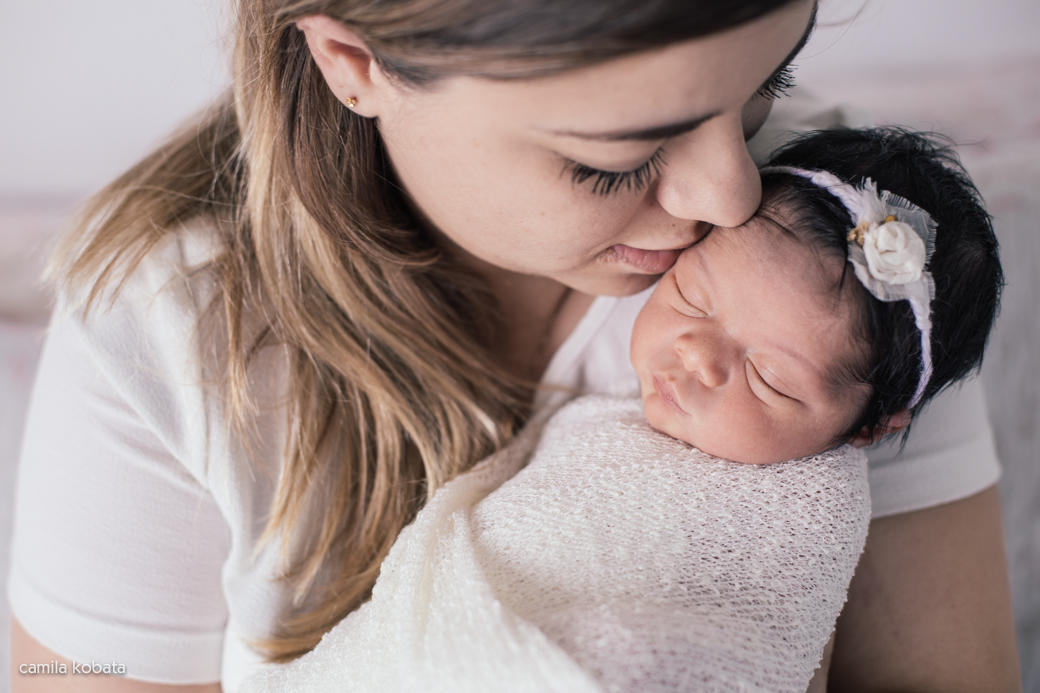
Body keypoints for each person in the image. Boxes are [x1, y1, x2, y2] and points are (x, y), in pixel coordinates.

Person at [7, 1, 1020, 691]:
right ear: (355, 64)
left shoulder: (829, 263)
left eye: (762, 84)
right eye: (612, 158)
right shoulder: (170, 327)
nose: (729, 192)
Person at [241, 126, 1005, 693]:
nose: (695, 356)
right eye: (691, 297)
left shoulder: (802, 514)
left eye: (770, 377)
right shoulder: (609, 373)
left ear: (869, 427)